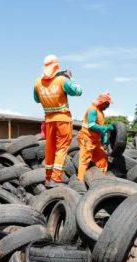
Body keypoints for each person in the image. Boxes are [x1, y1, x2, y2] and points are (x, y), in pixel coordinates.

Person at [34, 55, 82, 187]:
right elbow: (78, 91)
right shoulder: (62, 80)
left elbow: (37, 99)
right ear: (57, 67)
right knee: (61, 149)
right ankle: (56, 178)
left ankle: (48, 178)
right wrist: (70, 77)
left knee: (50, 148)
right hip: (63, 120)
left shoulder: (38, 82)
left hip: (48, 120)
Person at [77, 92, 114, 180]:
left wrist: (104, 139)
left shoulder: (101, 112)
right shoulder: (92, 110)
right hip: (87, 138)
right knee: (85, 160)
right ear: (103, 102)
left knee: (102, 158)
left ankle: (100, 179)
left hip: (95, 140)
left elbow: (100, 128)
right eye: (107, 104)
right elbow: (91, 125)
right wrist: (106, 128)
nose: (108, 106)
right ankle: (80, 182)